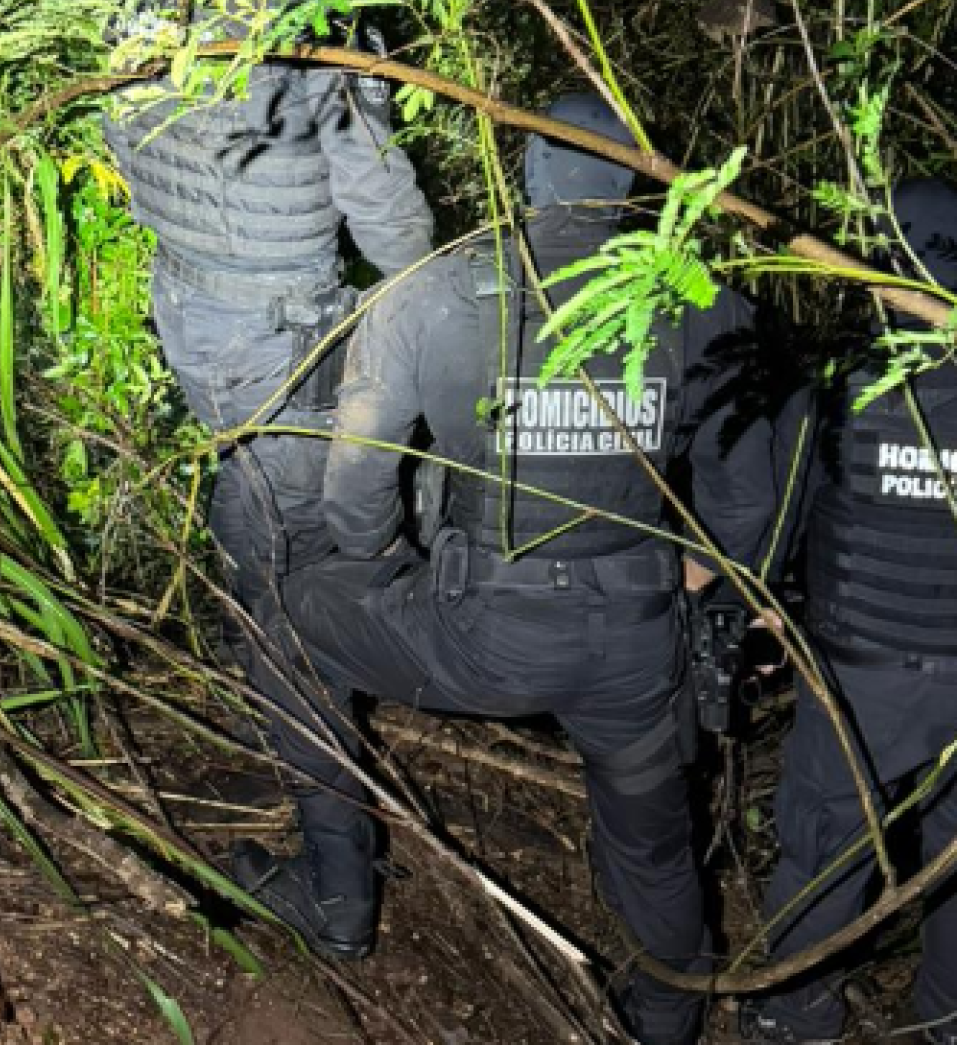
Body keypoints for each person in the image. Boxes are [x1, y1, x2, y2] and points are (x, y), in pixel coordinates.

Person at [231, 92, 781, 1045]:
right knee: (654, 848)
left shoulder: (437, 294)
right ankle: (667, 1012)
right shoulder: (709, 309)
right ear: (631, 187)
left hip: (478, 633)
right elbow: (744, 508)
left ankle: (338, 897)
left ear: (529, 172)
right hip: (636, 644)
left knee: (285, 621)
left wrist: (388, 578)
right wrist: (695, 580)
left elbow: (355, 498)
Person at [742, 179, 957, 1045]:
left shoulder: (837, 388)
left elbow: (779, 527)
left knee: (828, 848)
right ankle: (952, 1024)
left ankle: (798, 1015)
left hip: (861, 684)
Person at [103, 0, 433, 625]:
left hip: (182, 292)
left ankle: (239, 637)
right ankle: (284, 678)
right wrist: (430, 288)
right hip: (273, 317)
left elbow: (116, 127)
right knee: (294, 508)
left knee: (249, 471)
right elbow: (378, 195)